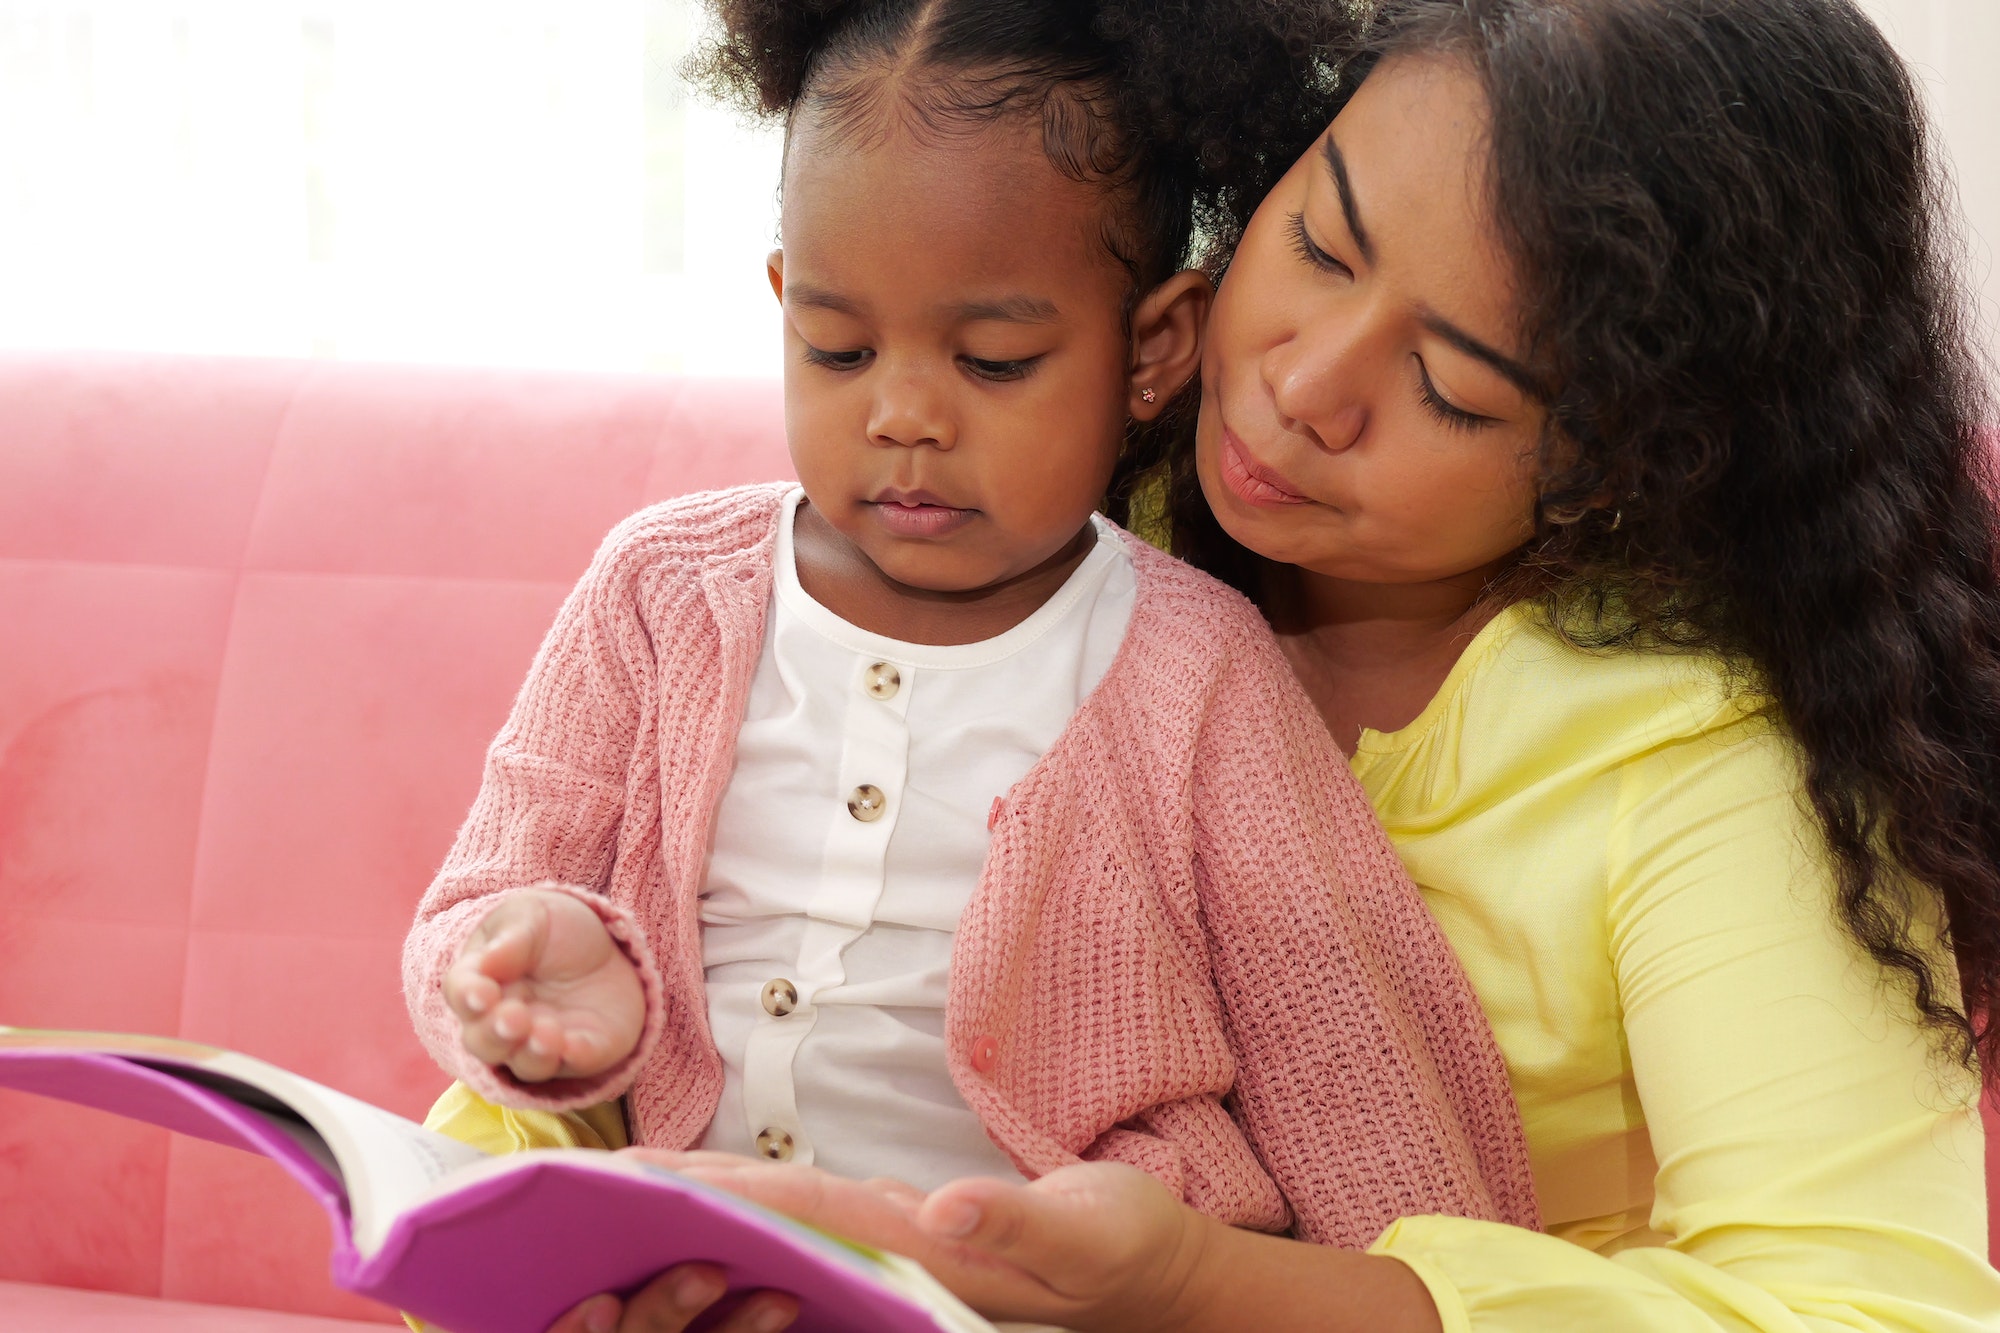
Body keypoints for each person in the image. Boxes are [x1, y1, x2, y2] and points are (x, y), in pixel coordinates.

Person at [583, 0, 2000, 1330]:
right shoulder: (1048, 537)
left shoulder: (1710, 762)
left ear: (1635, 456)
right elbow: (680, 925)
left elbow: (1864, 1308)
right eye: (1320, 241)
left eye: (1453, 385)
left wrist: (1200, 1286)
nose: (1303, 383)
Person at [401, 4, 1542, 1330]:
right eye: (837, 346)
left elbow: (1347, 1050)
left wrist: (1442, 1286)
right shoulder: (663, 591)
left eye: (994, 361)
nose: (901, 413)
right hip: (691, 1278)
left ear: (1152, 350)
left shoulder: (1195, 667)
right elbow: (478, 905)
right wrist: (538, 985)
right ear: (783, 302)